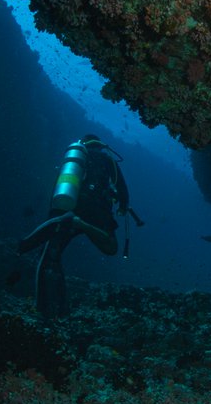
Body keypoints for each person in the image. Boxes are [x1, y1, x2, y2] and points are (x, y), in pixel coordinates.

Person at [18, 135, 133, 318]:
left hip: (70, 206)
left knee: (50, 257)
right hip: (96, 210)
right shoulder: (107, 159)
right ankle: (81, 225)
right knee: (111, 247)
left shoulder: (74, 160)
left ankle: (45, 308)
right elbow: (122, 188)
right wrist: (123, 205)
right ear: (100, 146)